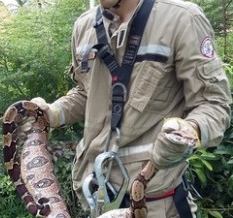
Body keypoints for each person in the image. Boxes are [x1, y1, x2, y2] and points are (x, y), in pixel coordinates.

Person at [31, 0, 232, 217]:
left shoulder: (181, 19)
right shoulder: (84, 26)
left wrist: (190, 129)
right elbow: (85, 93)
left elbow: (214, 104)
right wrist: (53, 113)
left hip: (157, 204)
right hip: (97, 198)